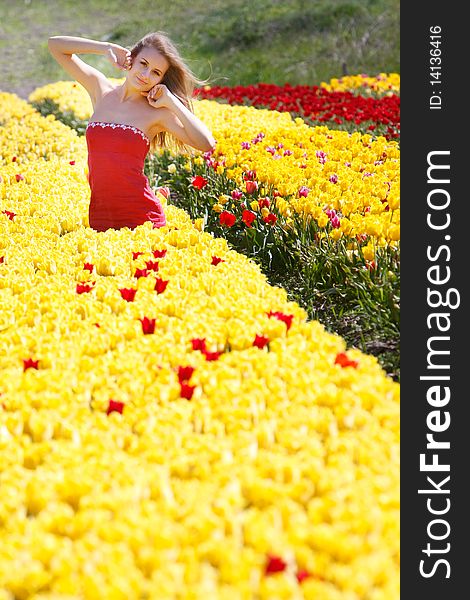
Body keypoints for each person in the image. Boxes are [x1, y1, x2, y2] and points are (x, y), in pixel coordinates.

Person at [48, 33, 215, 232]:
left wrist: (172, 102)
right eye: (143, 63)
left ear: (161, 79)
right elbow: (55, 45)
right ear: (131, 59)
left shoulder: (157, 112)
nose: (145, 75)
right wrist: (105, 47)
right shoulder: (100, 90)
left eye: (155, 72)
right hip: (100, 217)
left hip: (143, 220)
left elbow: (207, 144)